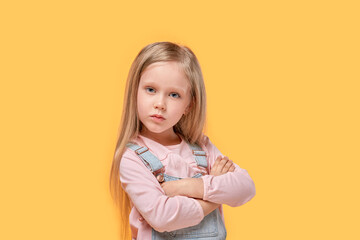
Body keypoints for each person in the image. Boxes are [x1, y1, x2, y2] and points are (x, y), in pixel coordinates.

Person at [109, 41, 256, 240]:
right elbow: (162, 217)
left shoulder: (202, 148)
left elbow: (245, 187)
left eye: (174, 95)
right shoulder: (132, 158)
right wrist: (214, 197)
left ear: (189, 105)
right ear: (135, 91)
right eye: (151, 90)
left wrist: (185, 186)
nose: (160, 104)